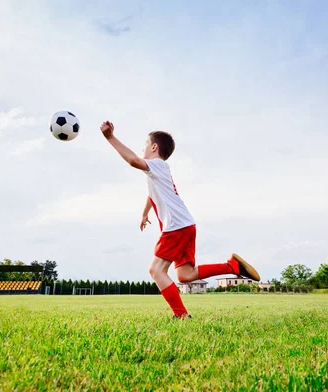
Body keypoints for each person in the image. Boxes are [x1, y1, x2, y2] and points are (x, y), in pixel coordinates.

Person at [100, 121, 260, 318]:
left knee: (156, 270)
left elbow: (132, 160)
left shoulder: (157, 165)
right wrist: (145, 213)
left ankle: (181, 315)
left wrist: (110, 138)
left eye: (144, 144)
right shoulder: (157, 171)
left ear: (153, 147)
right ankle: (232, 267)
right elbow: (152, 195)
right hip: (185, 225)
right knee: (185, 275)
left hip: (176, 226)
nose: (141, 149)